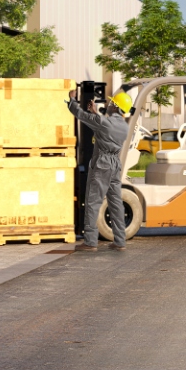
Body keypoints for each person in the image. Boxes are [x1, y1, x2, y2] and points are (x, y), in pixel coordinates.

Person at [67, 86, 135, 251]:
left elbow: (81, 115)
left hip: (102, 164)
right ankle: (120, 241)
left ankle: (90, 242)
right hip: (115, 164)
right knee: (115, 203)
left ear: (116, 107)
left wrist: (72, 100)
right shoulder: (124, 127)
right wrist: (96, 113)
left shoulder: (104, 122)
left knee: (93, 202)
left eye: (111, 103)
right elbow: (104, 125)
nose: (109, 105)